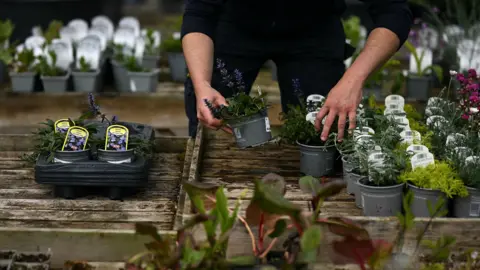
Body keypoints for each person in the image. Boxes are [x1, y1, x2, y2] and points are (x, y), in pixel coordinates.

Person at [181, 0, 412, 139]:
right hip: (235, 25)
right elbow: (199, 12)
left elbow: (393, 11)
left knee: (321, 132)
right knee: (212, 126)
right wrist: (202, 84)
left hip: (314, 30)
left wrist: (353, 80)